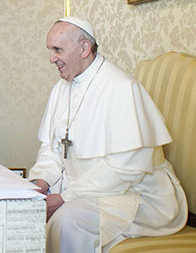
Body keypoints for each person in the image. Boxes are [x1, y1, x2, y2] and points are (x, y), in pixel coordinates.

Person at [27, 16, 188, 252]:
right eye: (50, 50)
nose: (52, 58)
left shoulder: (122, 88)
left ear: (84, 48)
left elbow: (125, 169)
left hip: (136, 194)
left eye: (57, 50)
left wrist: (65, 198)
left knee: (68, 219)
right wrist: (40, 183)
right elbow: (52, 149)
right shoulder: (61, 88)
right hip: (85, 188)